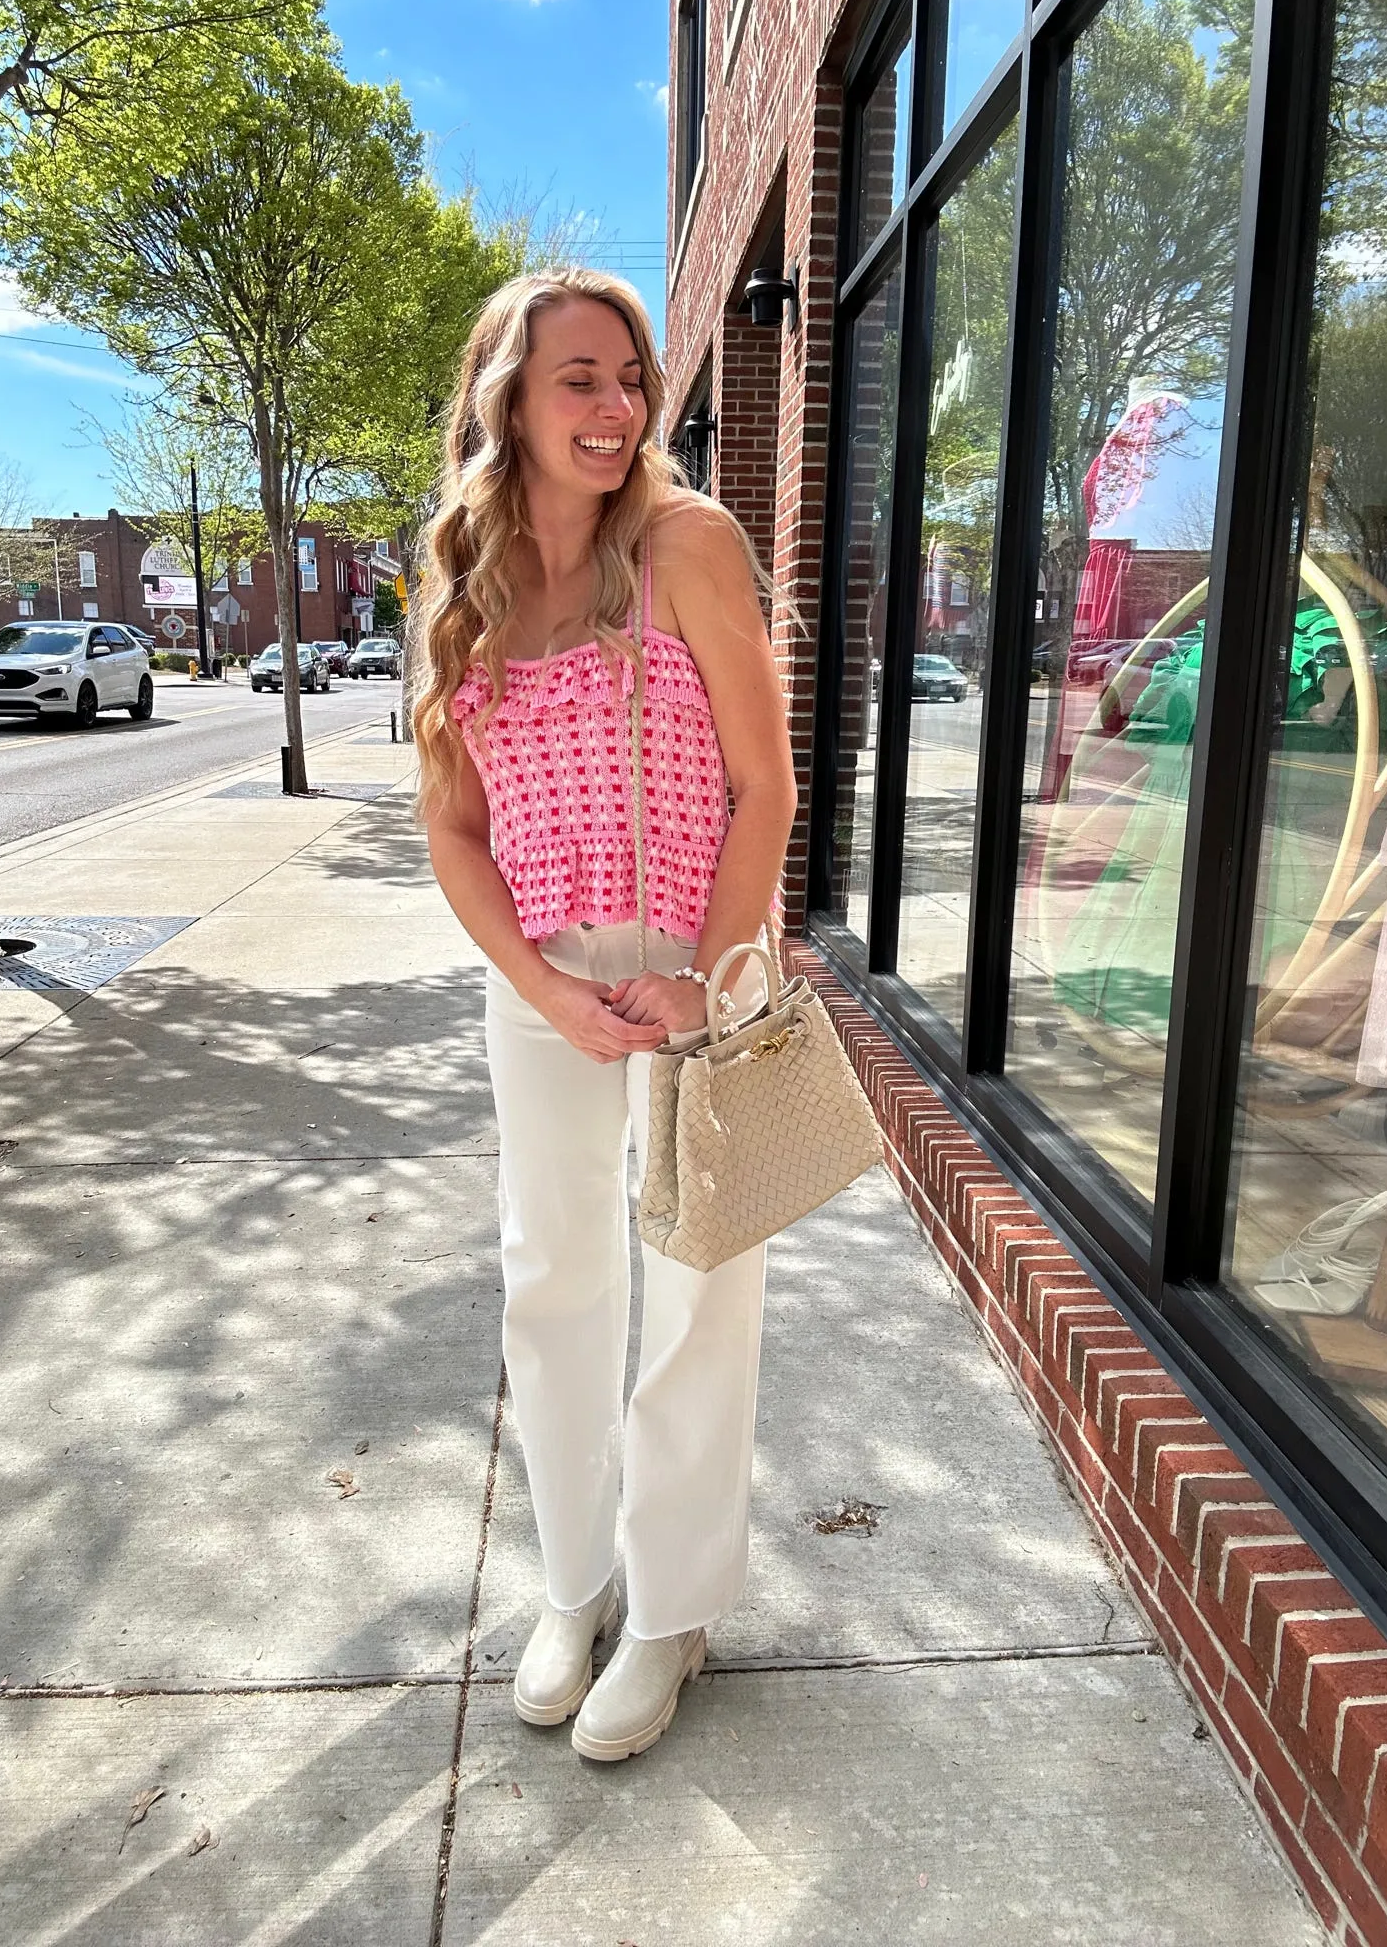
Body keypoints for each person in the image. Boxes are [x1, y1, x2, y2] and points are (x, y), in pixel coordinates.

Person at [410, 268, 796, 1762]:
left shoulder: (687, 543)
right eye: (579, 378)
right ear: (506, 393)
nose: (618, 407)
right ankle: (574, 1584)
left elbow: (763, 784)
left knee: (700, 1287)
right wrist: (546, 988)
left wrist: (708, 971)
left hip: (702, 957)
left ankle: (674, 1609)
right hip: (549, 974)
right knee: (553, 1276)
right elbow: (451, 829)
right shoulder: (460, 576)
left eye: (631, 377)